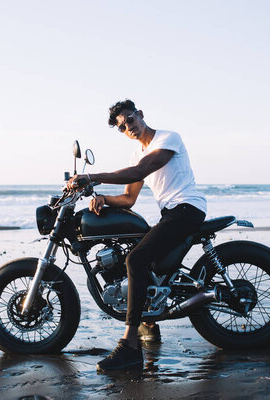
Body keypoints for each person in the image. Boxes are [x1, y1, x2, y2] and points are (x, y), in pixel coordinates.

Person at [66, 99, 207, 372]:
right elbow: (129, 198)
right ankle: (149, 324)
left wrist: (93, 177)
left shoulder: (168, 138)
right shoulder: (137, 154)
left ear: (140, 115)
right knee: (138, 255)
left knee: (136, 260)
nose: (128, 127)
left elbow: (141, 171)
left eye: (130, 120)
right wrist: (104, 198)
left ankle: (130, 345)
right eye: (121, 127)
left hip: (187, 209)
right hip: (171, 213)